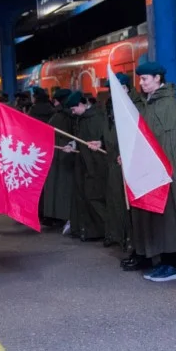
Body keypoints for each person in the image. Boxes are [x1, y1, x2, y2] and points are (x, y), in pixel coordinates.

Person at [129, 62, 176, 282]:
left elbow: (173, 145)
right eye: (140, 79)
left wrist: (164, 168)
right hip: (155, 171)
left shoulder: (167, 104)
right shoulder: (151, 103)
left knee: (170, 218)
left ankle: (173, 264)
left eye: (145, 79)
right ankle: (165, 261)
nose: (141, 83)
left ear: (158, 79)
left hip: (166, 172)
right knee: (161, 219)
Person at [102, 73, 143, 253]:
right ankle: (122, 237)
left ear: (125, 88)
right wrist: (101, 143)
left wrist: (127, 154)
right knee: (117, 202)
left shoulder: (136, 106)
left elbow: (139, 136)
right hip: (115, 163)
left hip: (131, 165)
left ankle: (134, 242)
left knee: (131, 206)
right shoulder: (112, 107)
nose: (111, 94)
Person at [67, 91, 108, 241]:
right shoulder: (83, 118)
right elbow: (80, 140)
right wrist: (72, 146)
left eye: (73, 109)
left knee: (94, 198)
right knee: (87, 198)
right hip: (85, 163)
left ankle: (106, 231)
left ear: (81, 104)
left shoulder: (96, 117)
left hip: (95, 165)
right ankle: (92, 231)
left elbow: (103, 139)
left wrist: (101, 144)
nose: (73, 112)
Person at [42, 89, 76, 231]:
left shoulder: (58, 116)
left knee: (58, 188)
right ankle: (66, 216)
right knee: (67, 189)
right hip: (70, 154)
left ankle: (57, 215)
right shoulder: (72, 115)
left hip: (58, 155)